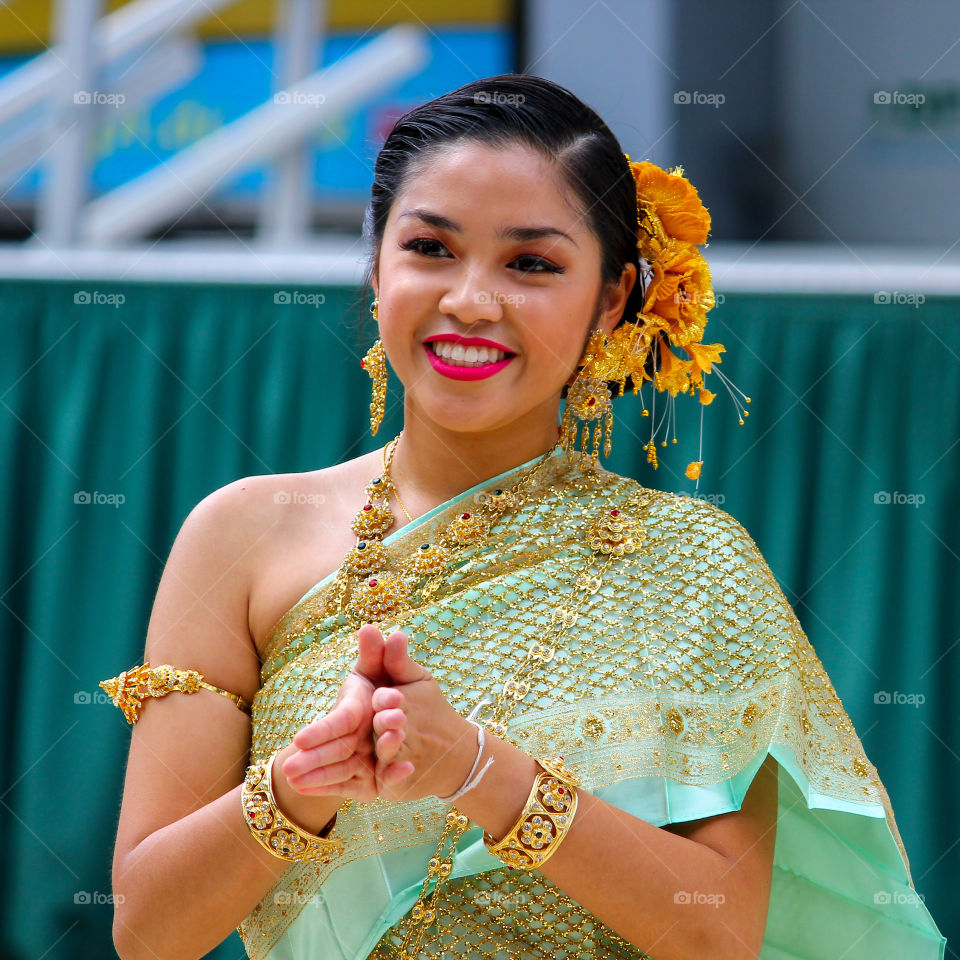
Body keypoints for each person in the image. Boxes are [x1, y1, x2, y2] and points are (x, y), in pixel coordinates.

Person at [101, 74, 946, 960]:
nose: (471, 300)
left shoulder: (690, 562)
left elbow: (720, 933)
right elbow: (149, 933)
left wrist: (477, 769)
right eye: (430, 247)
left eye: (532, 264)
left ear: (612, 298)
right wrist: (301, 784)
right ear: (377, 262)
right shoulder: (242, 535)